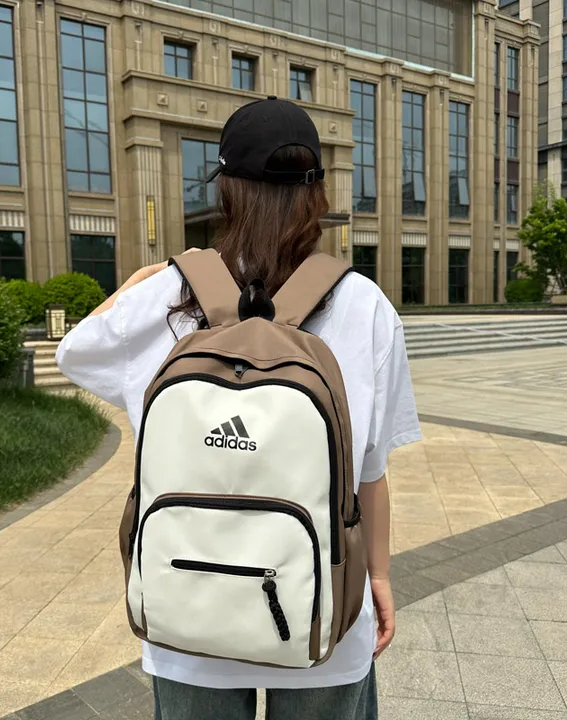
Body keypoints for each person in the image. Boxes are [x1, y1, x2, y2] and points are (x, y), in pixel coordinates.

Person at [56, 96, 421, 720]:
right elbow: (369, 472)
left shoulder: (168, 295)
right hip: (320, 611)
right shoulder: (365, 305)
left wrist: (142, 279)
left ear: (226, 190)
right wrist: (379, 578)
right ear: (317, 194)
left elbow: (73, 353)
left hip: (186, 611)